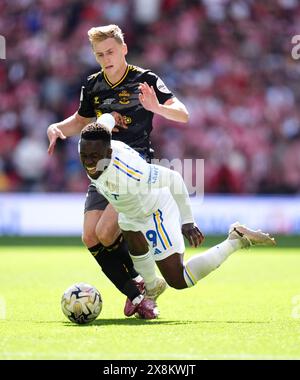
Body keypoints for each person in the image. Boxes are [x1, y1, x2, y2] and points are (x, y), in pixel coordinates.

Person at [46, 24, 189, 317]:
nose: (105, 58)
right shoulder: (93, 85)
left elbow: (183, 114)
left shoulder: (145, 79)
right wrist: (57, 128)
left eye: (110, 52)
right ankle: (140, 291)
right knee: (90, 236)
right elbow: (81, 120)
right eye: (99, 54)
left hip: (132, 168)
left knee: (106, 231)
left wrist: (156, 107)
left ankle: (142, 288)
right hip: (101, 168)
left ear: (123, 49)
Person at [78, 116, 276, 317]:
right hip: (131, 213)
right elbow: (104, 121)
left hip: (155, 211)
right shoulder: (93, 139)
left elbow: (173, 178)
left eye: (95, 156)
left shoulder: (131, 171)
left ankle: (235, 240)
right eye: (84, 155)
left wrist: (188, 221)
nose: (89, 162)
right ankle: (151, 289)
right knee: (131, 237)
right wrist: (113, 117)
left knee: (178, 280)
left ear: (109, 152)